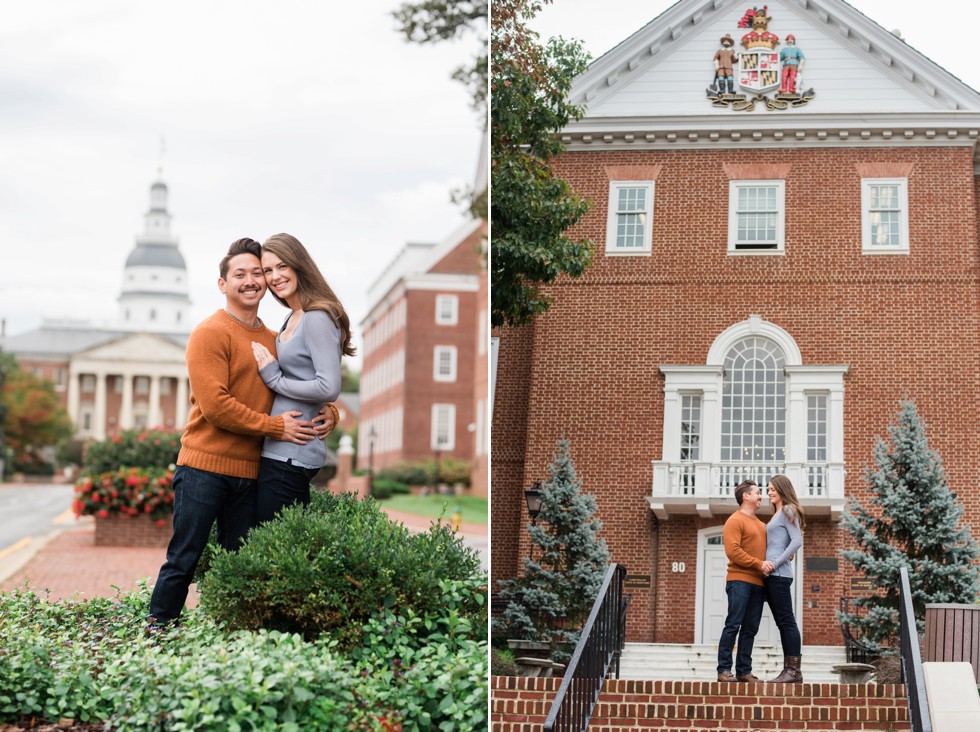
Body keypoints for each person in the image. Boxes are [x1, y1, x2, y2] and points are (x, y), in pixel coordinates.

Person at [148, 237, 335, 624]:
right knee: (185, 557)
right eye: (241, 274)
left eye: (259, 273)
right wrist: (275, 428)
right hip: (204, 466)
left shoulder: (274, 338)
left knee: (242, 563)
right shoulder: (209, 333)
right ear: (223, 284)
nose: (252, 281)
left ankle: (227, 635)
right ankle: (158, 630)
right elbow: (216, 407)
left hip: (252, 471)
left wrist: (330, 409)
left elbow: (304, 379)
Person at [251, 233, 356, 522]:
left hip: (292, 454)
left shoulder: (316, 317)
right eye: (268, 270)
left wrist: (274, 379)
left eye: (281, 266)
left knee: (272, 547)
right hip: (279, 449)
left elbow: (329, 386)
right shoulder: (293, 316)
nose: (274, 277)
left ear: (299, 265)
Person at [717, 479, 774, 682]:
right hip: (739, 581)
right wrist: (759, 564)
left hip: (759, 584)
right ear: (746, 496)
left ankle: (744, 671)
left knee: (750, 628)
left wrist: (784, 556)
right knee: (733, 625)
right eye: (758, 492)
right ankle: (724, 670)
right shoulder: (735, 520)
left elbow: (771, 549)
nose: (761, 496)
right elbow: (733, 552)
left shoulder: (761, 525)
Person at [764, 474, 805, 683]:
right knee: (783, 622)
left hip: (779, 575)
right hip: (772, 574)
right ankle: (788, 670)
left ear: (782, 489)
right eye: (768, 489)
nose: (769, 492)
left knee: (787, 621)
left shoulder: (788, 509)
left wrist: (776, 562)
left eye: (772, 489)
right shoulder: (777, 513)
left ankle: (794, 671)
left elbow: (797, 540)